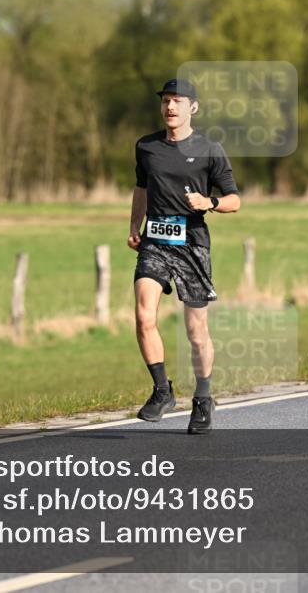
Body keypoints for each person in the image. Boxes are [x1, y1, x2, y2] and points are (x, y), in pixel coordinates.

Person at [128, 78, 241, 433]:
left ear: (193, 107)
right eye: (166, 101)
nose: (170, 107)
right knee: (144, 315)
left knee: (196, 332)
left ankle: (203, 398)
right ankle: (162, 390)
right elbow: (141, 187)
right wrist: (135, 223)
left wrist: (210, 203)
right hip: (155, 241)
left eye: (177, 101)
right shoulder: (146, 147)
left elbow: (235, 200)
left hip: (192, 242)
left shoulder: (209, 149)